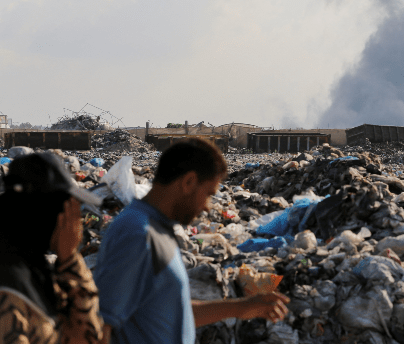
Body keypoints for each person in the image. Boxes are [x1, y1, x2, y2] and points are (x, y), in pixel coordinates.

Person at [93, 139, 289, 344]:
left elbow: (173, 313)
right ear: (188, 182)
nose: (207, 206)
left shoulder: (158, 230)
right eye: (208, 194)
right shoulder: (137, 235)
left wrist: (240, 308)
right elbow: (98, 325)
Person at [0, 152, 105, 343]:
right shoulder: (10, 284)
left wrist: (70, 260)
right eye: (68, 210)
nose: (75, 222)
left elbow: (86, 337)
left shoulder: (36, 270)